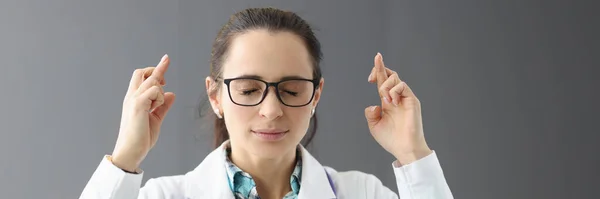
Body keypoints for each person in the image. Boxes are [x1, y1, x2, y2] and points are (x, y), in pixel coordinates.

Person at [80, 7, 454, 199]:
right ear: (216, 96)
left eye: (291, 91)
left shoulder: (363, 194)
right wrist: (125, 158)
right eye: (247, 90)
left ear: (315, 96)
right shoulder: (165, 197)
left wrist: (413, 154)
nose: (271, 110)